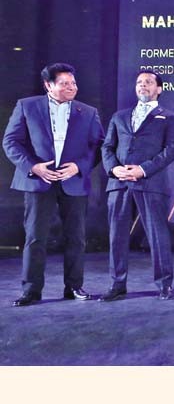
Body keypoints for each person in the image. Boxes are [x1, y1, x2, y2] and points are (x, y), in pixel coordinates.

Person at [3, 62, 104, 307]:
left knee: (76, 238)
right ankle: (31, 291)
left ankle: (74, 287)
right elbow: (11, 142)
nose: (72, 87)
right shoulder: (27, 106)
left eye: (73, 83)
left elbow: (98, 147)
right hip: (40, 181)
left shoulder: (87, 112)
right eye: (64, 83)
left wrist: (78, 167)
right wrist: (33, 167)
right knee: (35, 237)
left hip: (74, 182)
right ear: (49, 85)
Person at [99, 70, 174, 302]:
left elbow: (171, 150)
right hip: (119, 182)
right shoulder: (119, 116)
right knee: (117, 236)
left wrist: (142, 169)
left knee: (157, 235)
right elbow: (107, 147)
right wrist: (115, 169)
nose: (142, 85)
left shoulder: (170, 117)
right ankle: (117, 284)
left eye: (148, 82)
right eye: (139, 82)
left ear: (159, 89)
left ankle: (165, 285)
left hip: (151, 182)